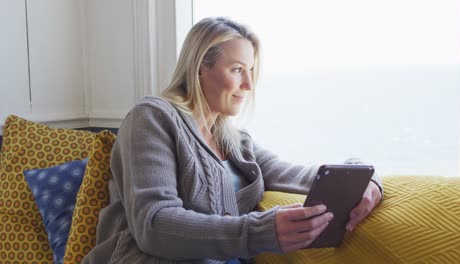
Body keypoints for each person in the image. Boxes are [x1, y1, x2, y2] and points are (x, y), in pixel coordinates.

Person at [82, 17, 383, 264]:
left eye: (250, 71)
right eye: (237, 70)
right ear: (200, 68)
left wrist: (367, 178)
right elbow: (155, 225)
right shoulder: (152, 118)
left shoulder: (237, 143)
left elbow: (301, 175)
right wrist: (260, 231)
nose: (249, 84)